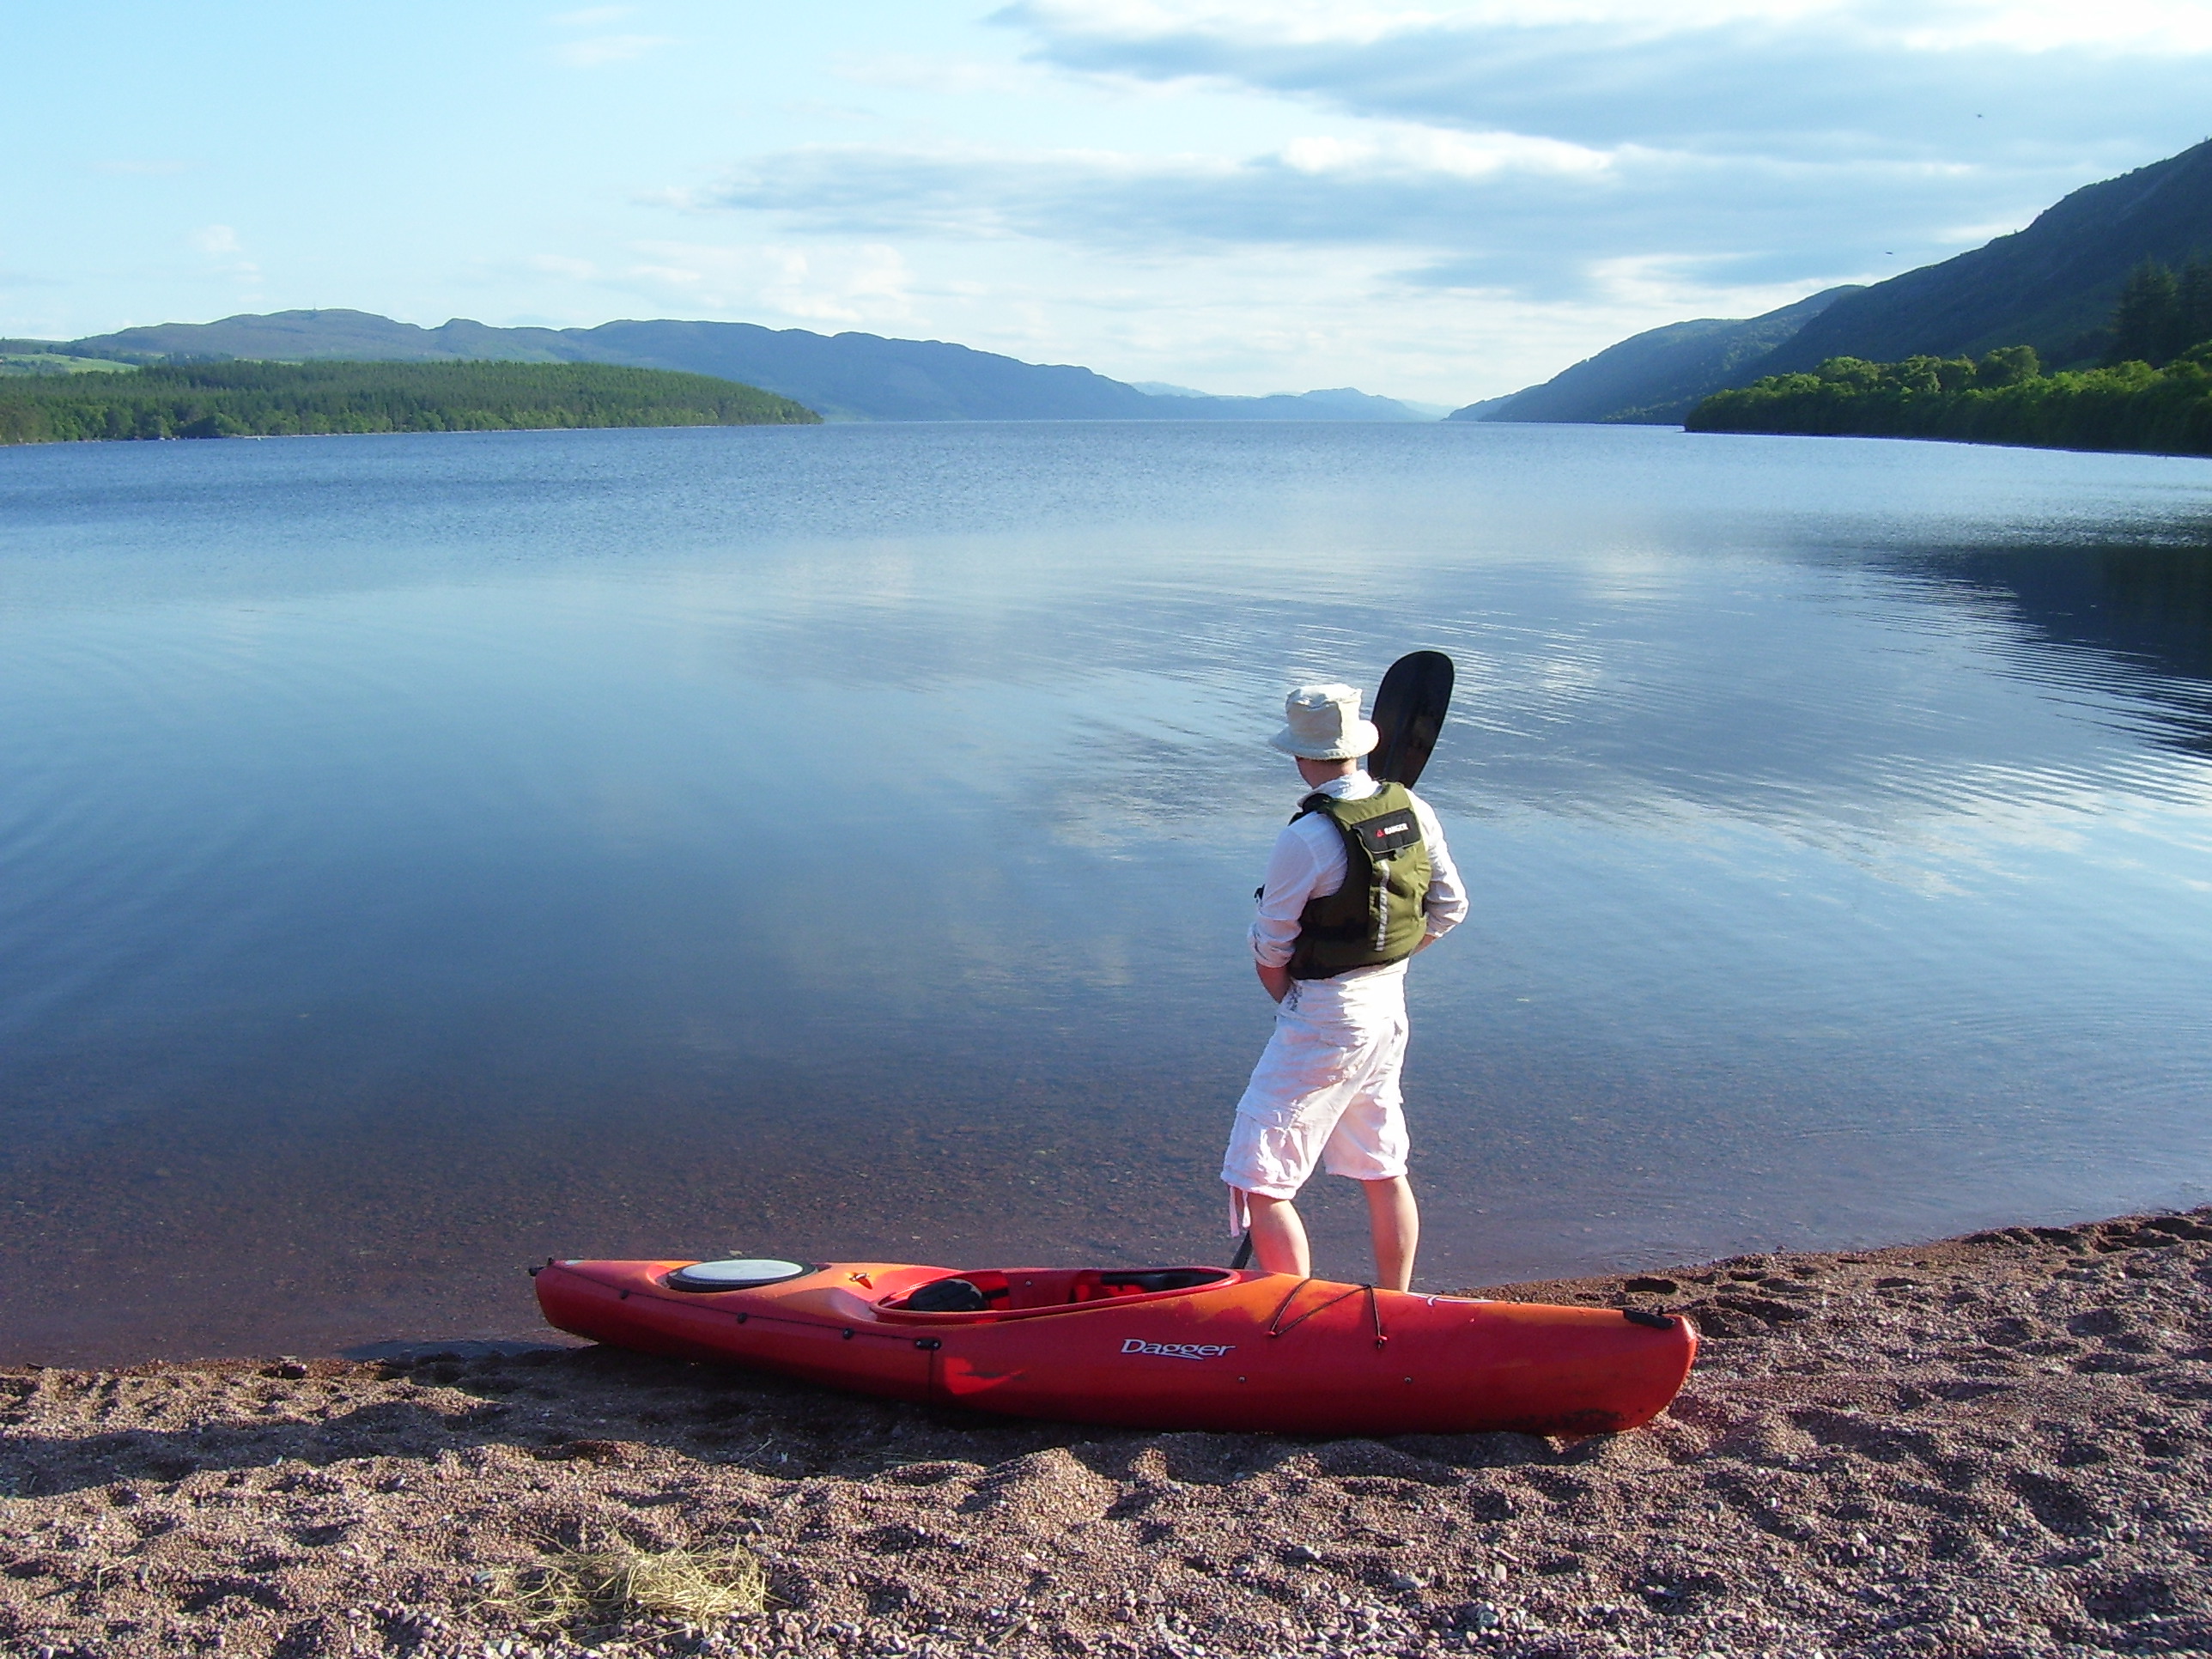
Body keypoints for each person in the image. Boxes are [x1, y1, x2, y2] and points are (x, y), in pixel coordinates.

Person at [1220, 683, 1466, 1291]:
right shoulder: (1413, 807)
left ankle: (1290, 1321)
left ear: (1302, 758)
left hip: (1326, 1015)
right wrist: (1387, 963)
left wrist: (1296, 1002)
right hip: (1388, 1008)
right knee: (1382, 1167)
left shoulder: (1305, 838)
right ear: (1356, 747)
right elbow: (1449, 909)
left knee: (1258, 1179)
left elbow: (1270, 947)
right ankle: (1396, 1306)